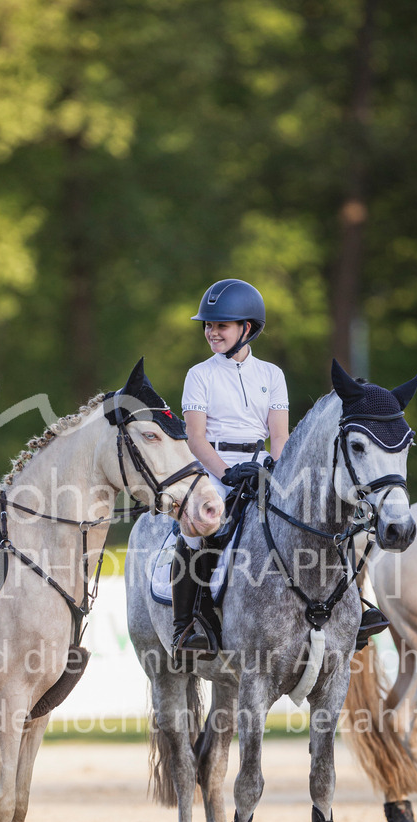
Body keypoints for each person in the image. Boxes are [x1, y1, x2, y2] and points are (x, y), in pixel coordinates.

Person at [171, 278, 289, 661]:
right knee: (198, 527)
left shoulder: (271, 375)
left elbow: (280, 436)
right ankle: (188, 623)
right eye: (208, 325)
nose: (211, 332)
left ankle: (350, 607)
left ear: (247, 328)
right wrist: (226, 474)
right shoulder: (199, 374)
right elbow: (195, 438)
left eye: (221, 325)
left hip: (261, 465)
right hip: (215, 467)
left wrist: (276, 470)